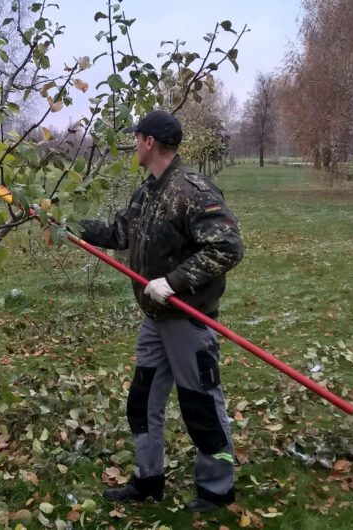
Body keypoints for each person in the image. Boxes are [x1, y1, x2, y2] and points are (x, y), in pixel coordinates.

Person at [79, 110, 244, 512]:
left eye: (137, 138)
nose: (134, 144)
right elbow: (119, 233)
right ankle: (149, 478)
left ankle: (218, 490)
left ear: (150, 142)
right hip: (155, 319)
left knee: (201, 404)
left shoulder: (191, 191)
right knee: (142, 399)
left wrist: (172, 282)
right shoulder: (147, 193)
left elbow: (228, 247)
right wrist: (68, 224)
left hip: (187, 319)